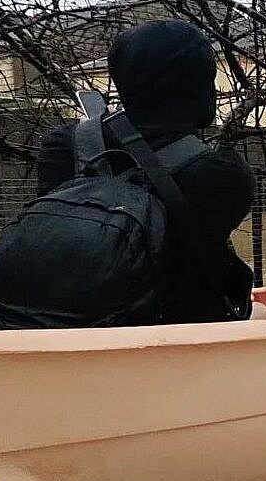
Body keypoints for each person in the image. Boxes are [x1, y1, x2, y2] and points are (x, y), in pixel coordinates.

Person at [33, 19, 254, 324]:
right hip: (175, 347)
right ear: (199, 88)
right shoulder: (224, 174)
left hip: (59, 332)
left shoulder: (62, 147)